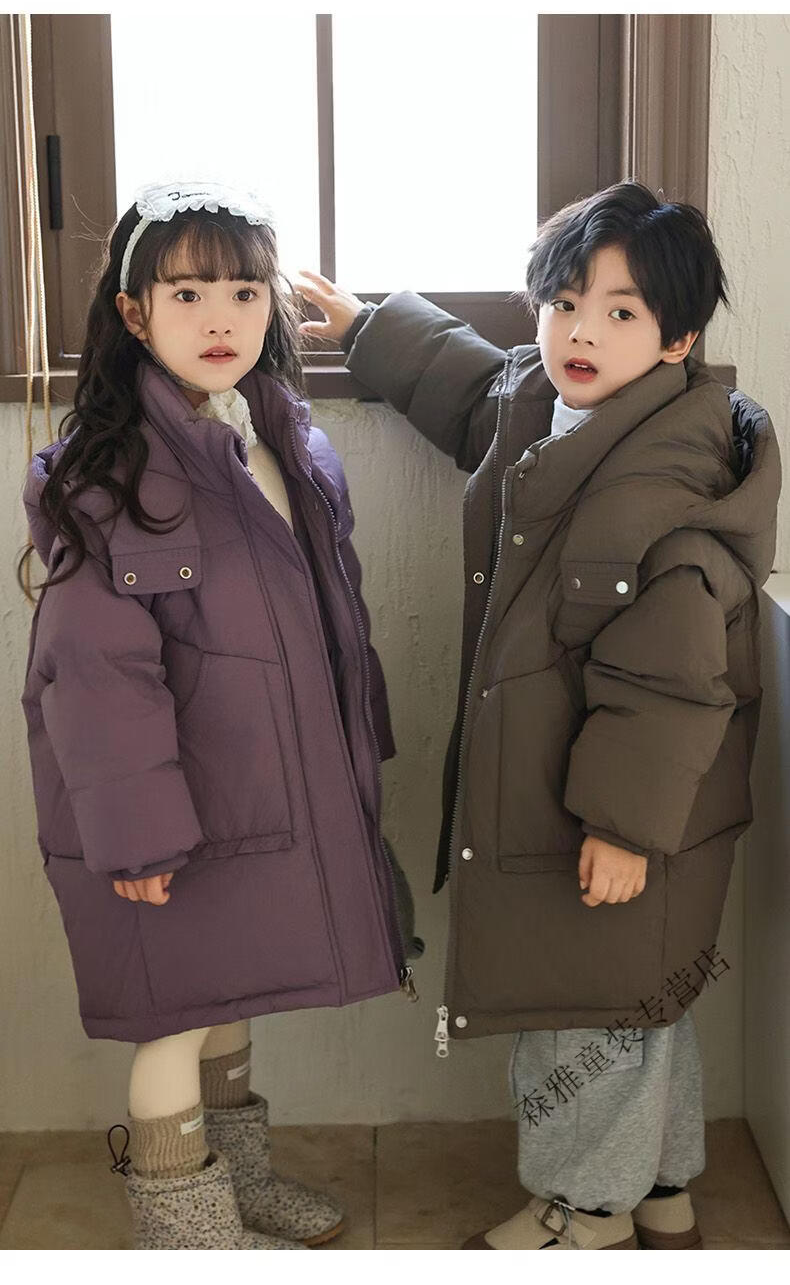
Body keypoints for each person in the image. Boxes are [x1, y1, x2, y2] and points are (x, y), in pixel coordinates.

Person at [297, 180, 782, 1250]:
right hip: (574, 795)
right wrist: (367, 326)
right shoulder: (552, 405)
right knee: (638, 997)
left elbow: (669, 677)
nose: (580, 332)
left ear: (678, 339)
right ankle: (659, 1184)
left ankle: (586, 1207)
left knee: (579, 1011)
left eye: (619, 311)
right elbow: (477, 391)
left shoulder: (663, 478)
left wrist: (622, 825)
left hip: (609, 813)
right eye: (564, 302)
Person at [18, 180, 420, 1251]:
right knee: (174, 1015)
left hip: (256, 797)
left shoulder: (285, 446)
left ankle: (236, 1186)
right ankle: (187, 1229)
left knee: (234, 989)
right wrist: (137, 833)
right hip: (169, 817)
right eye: (187, 292)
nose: (220, 318)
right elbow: (95, 675)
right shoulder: (110, 478)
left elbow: (332, 626)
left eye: (245, 291)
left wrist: (354, 754)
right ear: (134, 312)